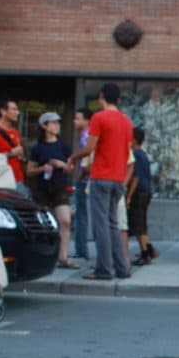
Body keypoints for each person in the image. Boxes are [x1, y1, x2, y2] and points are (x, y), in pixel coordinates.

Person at [69, 82, 133, 280]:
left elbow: (89, 148)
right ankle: (122, 268)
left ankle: (103, 269)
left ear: (101, 96)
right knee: (113, 224)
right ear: (119, 100)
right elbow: (127, 150)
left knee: (100, 225)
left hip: (101, 176)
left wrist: (74, 156)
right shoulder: (126, 121)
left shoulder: (99, 117)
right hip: (118, 178)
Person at [26, 111, 79, 270]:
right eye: (53, 123)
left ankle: (63, 257)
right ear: (44, 126)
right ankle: (43, 255)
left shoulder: (64, 146)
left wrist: (61, 165)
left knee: (65, 221)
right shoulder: (37, 148)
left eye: (58, 123)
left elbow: (72, 168)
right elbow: (29, 171)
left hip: (60, 187)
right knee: (44, 223)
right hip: (41, 188)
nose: (56, 126)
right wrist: (43, 168)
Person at [127, 127, 157, 266]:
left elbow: (136, 177)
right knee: (142, 222)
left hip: (138, 192)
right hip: (146, 191)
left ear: (133, 140)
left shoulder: (135, 154)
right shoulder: (143, 154)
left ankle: (145, 254)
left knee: (137, 223)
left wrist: (128, 196)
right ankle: (150, 249)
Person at [0, 99, 28, 196]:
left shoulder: (16, 132)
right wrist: (10, 153)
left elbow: (19, 157)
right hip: (0, 182)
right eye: (14, 109)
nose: (17, 112)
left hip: (18, 181)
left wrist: (21, 156)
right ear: (3, 111)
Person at [71, 107, 92, 260]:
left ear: (87, 120)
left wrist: (79, 177)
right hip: (87, 180)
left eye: (78, 118)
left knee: (81, 216)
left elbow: (87, 163)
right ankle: (81, 249)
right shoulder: (86, 136)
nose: (75, 121)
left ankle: (81, 250)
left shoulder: (86, 137)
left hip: (84, 181)